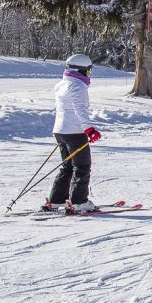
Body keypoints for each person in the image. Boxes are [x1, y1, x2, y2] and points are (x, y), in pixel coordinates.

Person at [45, 53, 102, 213]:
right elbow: (80, 110)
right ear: (81, 70)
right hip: (75, 131)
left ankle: (57, 200)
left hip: (60, 131)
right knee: (82, 166)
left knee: (68, 166)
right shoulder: (77, 86)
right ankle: (78, 202)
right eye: (88, 71)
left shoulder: (62, 84)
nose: (89, 74)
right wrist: (88, 129)